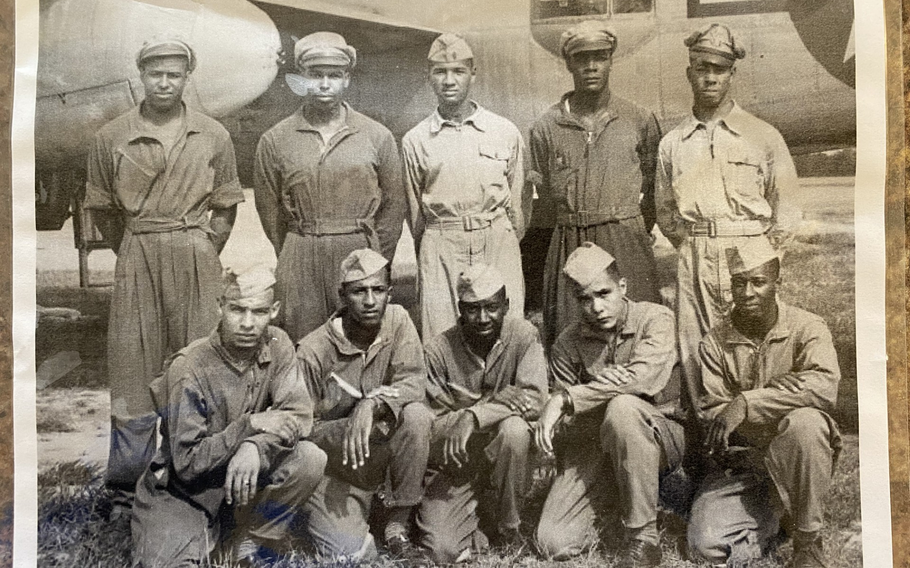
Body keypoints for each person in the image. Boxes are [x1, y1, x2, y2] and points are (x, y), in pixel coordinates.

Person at [84, 36, 244, 509]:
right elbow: (105, 211)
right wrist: (138, 248)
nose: (164, 83)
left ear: (187, 78)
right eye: (156, 74)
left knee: (197, 363)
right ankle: (124, 488)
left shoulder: (213, 134)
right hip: (138, 254)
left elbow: (226, 206)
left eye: (174, 75)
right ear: (140, 76)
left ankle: (194, 478)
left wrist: (200, 249)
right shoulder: (109, 137)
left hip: (196, 252)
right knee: (133, 367)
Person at [131, 266, 326, 567]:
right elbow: (186, 463)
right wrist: (249, 426)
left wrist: (255, 446)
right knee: (166, 563)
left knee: (309, 458)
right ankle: (196, 537)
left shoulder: (279, 344)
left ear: (274, 311)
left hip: (245, 482)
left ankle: (249, 541)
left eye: (259, 312)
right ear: (219, 306)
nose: (247, 323)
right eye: (237, 310)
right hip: (186, 494)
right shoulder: (189, 367)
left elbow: (299, 416)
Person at [655, 23, 799, 416]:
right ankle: (707, 449)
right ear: (689, 72)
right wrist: (694, 245)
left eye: (719, 68)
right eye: (702, 67)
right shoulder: (673, 143)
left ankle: (757, 438)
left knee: (752, 345)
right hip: (697, 254)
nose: (710, 76)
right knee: (697, 349)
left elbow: (786, 207)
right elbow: (665, 210)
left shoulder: (762, 135)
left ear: (732, 73)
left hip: (748, 252)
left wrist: (760, 255)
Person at [687, 239, 840, 568]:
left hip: (796, 457)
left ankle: (808, 542)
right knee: (705, 546)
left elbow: (824, 388)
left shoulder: (807, 327)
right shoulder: (714, 342)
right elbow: (715, 419)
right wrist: (776, 396)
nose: (747, 293)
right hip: (745, 466)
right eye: (739, 283)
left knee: (807, 423)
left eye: (758, 282)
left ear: (777, 284)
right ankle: (780, 513)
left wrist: (747, 402)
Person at [534, 242, 685, 568]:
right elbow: (564, 427)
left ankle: (643, 539)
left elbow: (643, 379)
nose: (596, 307)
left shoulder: (655, 319)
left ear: (623, 287)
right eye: (584, 299)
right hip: (597, 447)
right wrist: (607, 389)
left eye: (604, 294)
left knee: (624, 409)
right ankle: (620, 499)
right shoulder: (567, 343)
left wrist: (572, 397)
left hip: (664, 437)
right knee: (553, 541)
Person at [254, 32, 407, 342]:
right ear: (300, 78)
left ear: (346, 79)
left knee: (359, 343)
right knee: (302, 344)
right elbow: (270, 212)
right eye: (315, 75)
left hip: (358, 253)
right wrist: (296, 252)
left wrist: (374, 261)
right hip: (301, 252)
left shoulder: (377, 136)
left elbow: (393, 208)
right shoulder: (275, 139)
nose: (324, 84)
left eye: (334, 75)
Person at [529, 20, 662, 349]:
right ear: (568, 62)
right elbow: (544, 202)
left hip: (624, 237)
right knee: (570, 330)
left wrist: (632, 229)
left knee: (637, 328)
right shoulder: (546, 127)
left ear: (611, 60)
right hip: (569, 239)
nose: (591, 66)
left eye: (600, 57)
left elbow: (654, 188)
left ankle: (643, 396)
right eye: (582, 58)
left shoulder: (638, 119)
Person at [296, 248, 433, 559]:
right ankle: (342, 515)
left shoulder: (398, 320)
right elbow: (302, 428)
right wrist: (349, 427)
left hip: (381, 452)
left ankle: (397, 524)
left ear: (390, 292)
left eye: (378, 290)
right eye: (359, 291)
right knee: (351, 554)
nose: (370, 301)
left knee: (416, 416)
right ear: (342, 295)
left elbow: (412, 381)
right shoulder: (313, 350)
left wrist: (372, 405)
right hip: (337, 470)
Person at [402, 33, 530, 339]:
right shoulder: (416, 140)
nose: (449, 81)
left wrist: (501, 235)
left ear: (473, 74)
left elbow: (518, 202)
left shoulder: (504, 131)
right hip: (442, 241)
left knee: (508, 328)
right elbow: (415, 211)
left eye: (458, 71)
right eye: (440, 72)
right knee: (441, 331)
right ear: (429, 77)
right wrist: (434, 249)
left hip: (495, 237)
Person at [417, 263, 547, 563]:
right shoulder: (438, 350)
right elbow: (431, 425)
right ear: (459, 309)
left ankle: (509, 527)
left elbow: (534, 400)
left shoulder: (524, 335)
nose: (483, 318)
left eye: (491, 307)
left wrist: (473, 416)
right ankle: (481, 515)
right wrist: (492, 403)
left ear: (506, 305)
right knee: (442, 550)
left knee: (514, 429)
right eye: (472, 309)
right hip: (456, 462)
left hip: (503, 454)